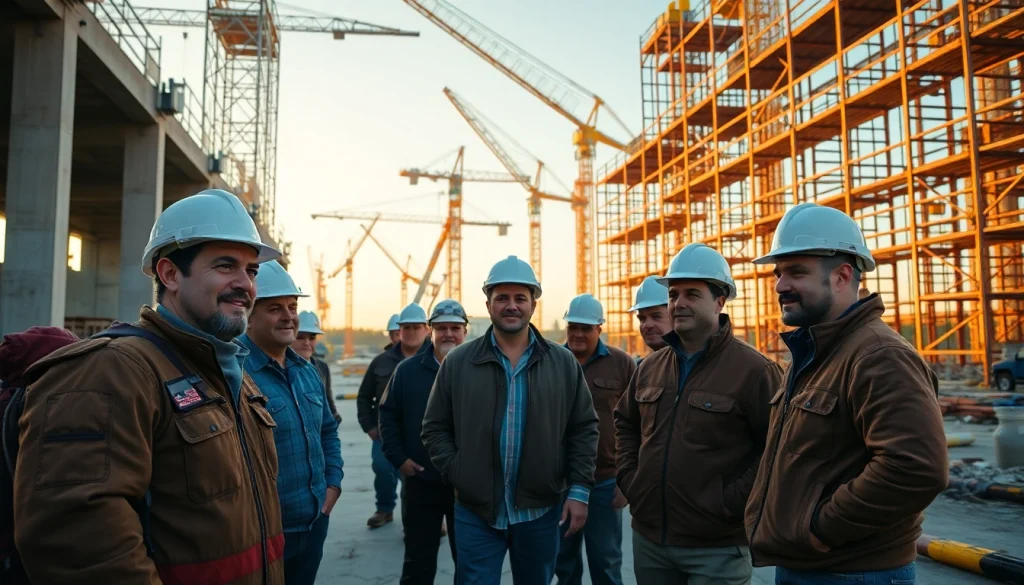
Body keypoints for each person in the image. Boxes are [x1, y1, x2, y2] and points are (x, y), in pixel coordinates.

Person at [13, 189, 286, 584]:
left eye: (252, 271)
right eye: (226, 266)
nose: (245, 284)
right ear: (170, 274)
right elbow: (79, 547)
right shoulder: (113, 370)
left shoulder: (232, 375)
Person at [745, 203, 948, 585]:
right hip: (809, 565)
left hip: (853, 572)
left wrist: (820, 529)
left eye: (796, 272)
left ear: (841, 276)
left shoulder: (878, 355)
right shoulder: (817, 355)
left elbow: (916, 468)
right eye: (778, 273)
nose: (780, 285)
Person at [422, 255, 599, 585]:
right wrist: (458, 471)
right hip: (476, 511)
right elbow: (434, 427)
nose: (512, 306)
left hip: (540, 511)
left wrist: (578, 490)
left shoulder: (562, 363)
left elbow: (583, 429)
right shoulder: (459, 362)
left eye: (520, 298)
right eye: (502, 297)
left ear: (533, 304)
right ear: (488, 304)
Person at [615, 243, 782, 585]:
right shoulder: (650, 368)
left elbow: (777, 447)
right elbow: (625, 424)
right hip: (650, 541)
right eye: (673, 294)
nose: (679, 303)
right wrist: (632, 480)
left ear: (720, 302)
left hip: (716, 548)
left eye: (692, 294)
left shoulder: (755, 371)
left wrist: (729, 503)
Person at [239, 261, 343, 585]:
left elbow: (327, 430)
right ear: (249, 316)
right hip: (261, 534)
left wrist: (332, 485)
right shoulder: (233, 373)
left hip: (313, 524)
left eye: (293, 307)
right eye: (275, 308)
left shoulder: (308, 371)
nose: (288, 316)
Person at [379, 299, 469, 584]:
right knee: (418, 563)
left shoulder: (479, 370)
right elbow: (388, 416)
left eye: (455, 328)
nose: (448, 334)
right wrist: (399, 459)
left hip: (468, 487)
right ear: (431, 331)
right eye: (441, 328)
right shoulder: (407, 371)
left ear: (465, 331)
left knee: (470, 564)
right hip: (420, 482)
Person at [555, 294, 636, 585]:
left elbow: (639, 424)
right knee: (563, 563)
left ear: (599, 328)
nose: (578, 333)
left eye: (585, 328)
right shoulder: (552, 361)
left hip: (605, 482)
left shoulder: (622, 364)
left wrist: (626, 482)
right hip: (559, 483)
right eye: (573, 327)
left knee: (606, 563)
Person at [357, 304, 430, 528]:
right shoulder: (382, 361)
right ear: (400, 330)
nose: (411, 332)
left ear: (427, 329)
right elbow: (364, 396)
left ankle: (431, 516)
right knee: (383, 469)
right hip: (386, 433)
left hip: (424, 434)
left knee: (424, 476)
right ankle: (384, 509)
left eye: (416, 327)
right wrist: (369, 427)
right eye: (406, 327)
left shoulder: (436, 359)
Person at [292, 311, 341, 423]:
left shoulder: (322, 368)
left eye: (312, 338)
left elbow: (329, 403)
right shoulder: (278, 367)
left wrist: (333, 422)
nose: (306, 342)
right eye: (300, 337)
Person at [629, 276, 672, 359]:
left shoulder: (694, 363)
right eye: (642, 318)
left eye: (656, 317)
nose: (647, 325)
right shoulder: (645, 366)